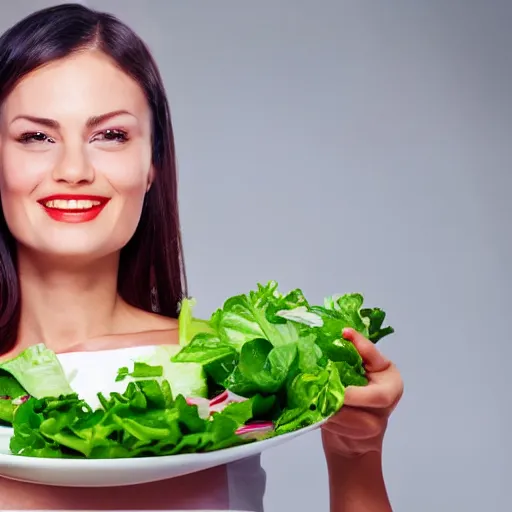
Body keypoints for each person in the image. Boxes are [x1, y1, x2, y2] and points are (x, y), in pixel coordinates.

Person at [0, 4, 404, 511]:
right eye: (36, 136)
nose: (74, 169)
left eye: (111, 135)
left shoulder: (236, 369)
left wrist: (356, 451)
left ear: (151, 164)